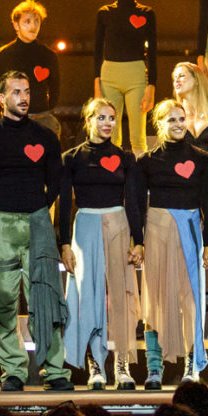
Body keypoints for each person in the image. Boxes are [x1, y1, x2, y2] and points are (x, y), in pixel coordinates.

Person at [0, 68, 70, 393]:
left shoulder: (45, 137)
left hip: (37, 221)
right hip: (1, 224)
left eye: (26, 91)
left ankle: (54, 370)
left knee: (46, 298)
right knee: (2, 300)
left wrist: (38, 208)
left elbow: (56, 183)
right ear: (1, 98)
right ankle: (12, 370)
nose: (24, 98)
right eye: (16, 92)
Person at [58, 98, 145, 390]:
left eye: (111, 118)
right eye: (101, 117)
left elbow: (133, 201)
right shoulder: (72, 158)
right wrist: (64, 243)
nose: (107, 123)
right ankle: (95, 365)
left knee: (121, 296)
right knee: (87, 296)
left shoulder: (125, 157)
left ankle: (122, 365)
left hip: (118, 224)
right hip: (85, 227)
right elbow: (64, 203)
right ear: (89, 120)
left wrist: (139, 241)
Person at [135, 99, 208, 389]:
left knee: (191, 299)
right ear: (159, 124)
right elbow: (136, 204)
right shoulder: (147, 162)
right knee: (155, 300)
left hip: (190, 230)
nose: (178, 125)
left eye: (181, 119)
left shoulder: (202, 159)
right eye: (171, 120)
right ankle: (154, 368)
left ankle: (192, 366)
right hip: (157, 231)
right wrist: (137, 241)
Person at [91, 0, 158, 146]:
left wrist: (152, 85)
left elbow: (152, 51)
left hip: (136, 74)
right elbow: (97, 50)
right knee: (110, 135)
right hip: (109, 75)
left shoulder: (146, 13)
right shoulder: (104, 13)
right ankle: (112, 165)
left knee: (138, 135)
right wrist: (97, 84)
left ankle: (139, 165)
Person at [0, 0, 61, 121]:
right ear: (16, 25)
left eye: (37, 21)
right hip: (14, 122)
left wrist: (44, 115)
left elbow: (55, 92)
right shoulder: (1, 55)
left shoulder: (49, 55)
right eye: (27, 21)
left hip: (42, 120)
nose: (33, 26)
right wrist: (7, 116)